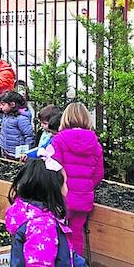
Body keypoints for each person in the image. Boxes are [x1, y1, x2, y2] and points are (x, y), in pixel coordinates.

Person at [50, 102, 104, 256]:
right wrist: (86, 186)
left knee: (56, 232)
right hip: (83, 198)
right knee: (77, 235)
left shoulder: (59, 140)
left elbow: (54, 169)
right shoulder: (95, 143)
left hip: (61, 197)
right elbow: (98, 173)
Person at [0, 91, 34, 159]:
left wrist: (26, 152)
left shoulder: (21, 119)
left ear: (12, 104)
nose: (0, 107)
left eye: (3, 105)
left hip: (16, 153)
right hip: (6, 150)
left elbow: (29, 136)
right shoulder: (6, 115)